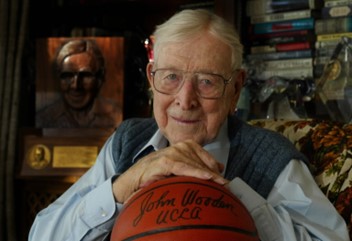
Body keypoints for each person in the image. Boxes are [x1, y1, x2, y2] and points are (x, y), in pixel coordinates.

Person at [29, 9, 349, 241]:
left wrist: (229, 197)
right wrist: (121, 187)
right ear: (151, 79)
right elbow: (43, 235)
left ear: (235, 88)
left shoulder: (270, 157)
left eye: (207, 82)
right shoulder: (126, 142)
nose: (185, 100)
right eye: (171, 77)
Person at [36, 39, 122, 128]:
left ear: (99, 78)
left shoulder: (117, 118)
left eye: (85, 75)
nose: (75, 86)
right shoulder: (43, 119)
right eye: (67, 75)